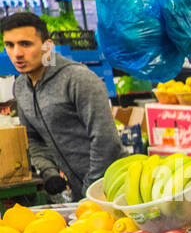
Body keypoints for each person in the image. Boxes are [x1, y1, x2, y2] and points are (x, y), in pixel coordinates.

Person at [2, 11, 123, 198]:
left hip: (115, 187)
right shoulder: (21, 87)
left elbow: (106, 141)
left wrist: (91, 192)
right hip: (78, 192)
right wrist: (48, 171)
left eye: (26, 44)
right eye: (9, 45)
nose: (17, 53)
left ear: (47, 46)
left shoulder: (77, 79)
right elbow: (33, 138)